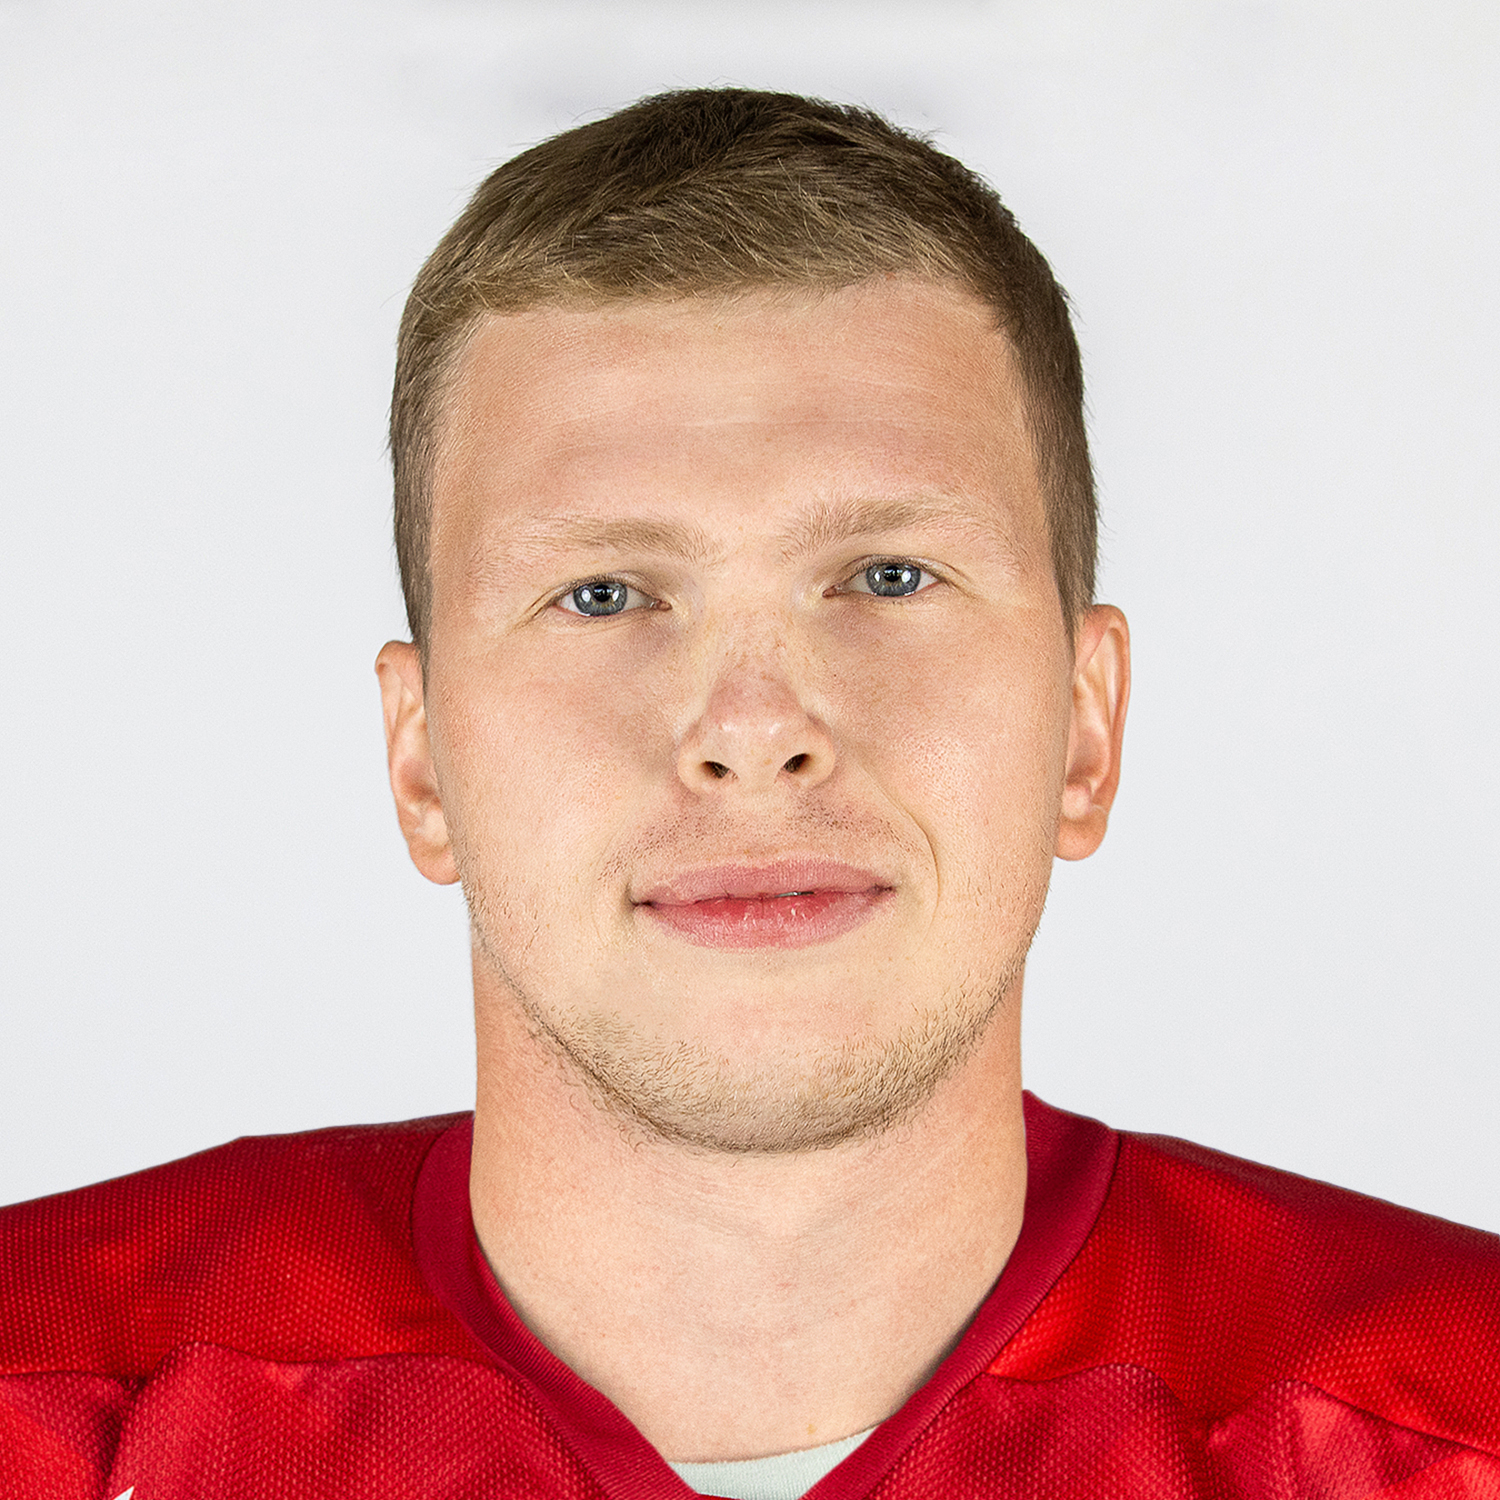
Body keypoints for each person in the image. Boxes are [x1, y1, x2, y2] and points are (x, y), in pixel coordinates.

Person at [1, 87, 1496, 1500]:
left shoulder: (1454, 1421)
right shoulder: (46, 1397)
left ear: (1085, 730)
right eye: (604, 594)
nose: (756, 730)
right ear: (423, 760)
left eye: (889, 576)